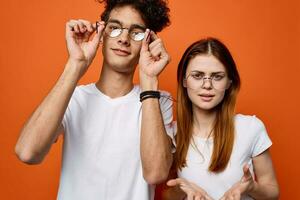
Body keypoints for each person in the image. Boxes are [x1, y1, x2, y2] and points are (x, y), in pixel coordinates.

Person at [15, 0, 175, 199]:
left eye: (136, 33)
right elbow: (27, 152)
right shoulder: (74, 98)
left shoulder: (157, 102)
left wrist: (150, 79)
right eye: (115, 28)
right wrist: (75, 65)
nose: (124, 38)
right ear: (102, 35)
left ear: (149, 41)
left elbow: (156, 173)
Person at [162, 38, 279, 200]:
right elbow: (166, 194)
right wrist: (181, 190)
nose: (207, 85)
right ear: (184, 81)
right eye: (197, 75)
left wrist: (252, 187)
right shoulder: (172, 133)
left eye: (217, 77)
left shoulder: (251, 127)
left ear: (229, 82)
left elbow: (273, 192)